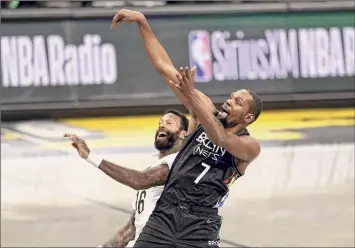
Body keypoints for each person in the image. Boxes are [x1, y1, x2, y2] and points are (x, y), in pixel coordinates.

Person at [110, 9, 263, 248]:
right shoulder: (206, 113)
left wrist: (192, 96)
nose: (229, 101)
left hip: (201, 223)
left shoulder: (249, 146)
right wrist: (142, 21)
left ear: (249, 117)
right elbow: (164, 67)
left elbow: (220, 138)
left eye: (237, 102)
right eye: (231, 97)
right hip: (165, 213)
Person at [64, 109, 189, 247]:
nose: (162, 125)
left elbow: (139, 181)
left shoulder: (177, 164)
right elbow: (132, 228)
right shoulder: (152, 166)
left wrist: (90, 156)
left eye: (169, 122)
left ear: (183, 134)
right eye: (160, 123)